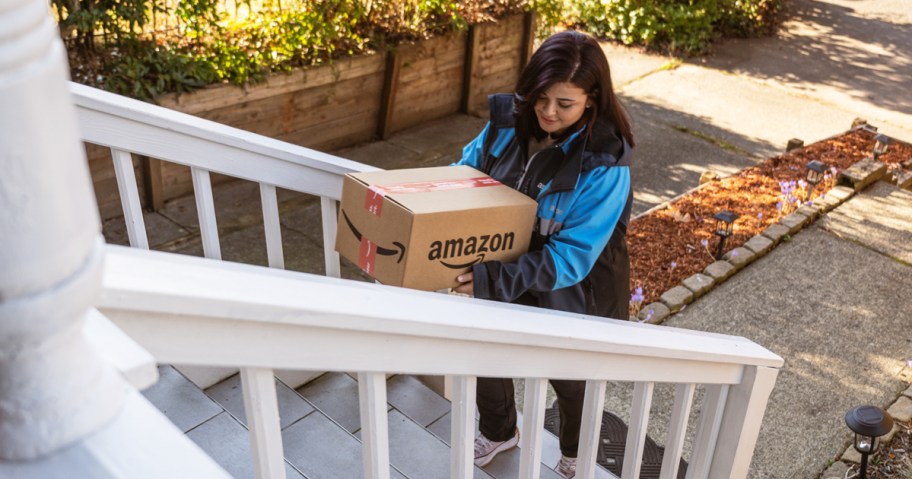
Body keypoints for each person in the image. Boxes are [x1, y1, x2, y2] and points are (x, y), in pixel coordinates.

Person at [452, 30, 635, 478]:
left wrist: (491, 279)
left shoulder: (606, 163)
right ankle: (499, 432)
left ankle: (574, 450)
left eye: (565, 104)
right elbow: (464, 175)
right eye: (541, 98)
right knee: (486, 353)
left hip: (577, 290)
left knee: (572, 380)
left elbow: (572, 256)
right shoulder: (504, 122)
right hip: (508, 267)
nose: (548, 112)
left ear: (591, 99)